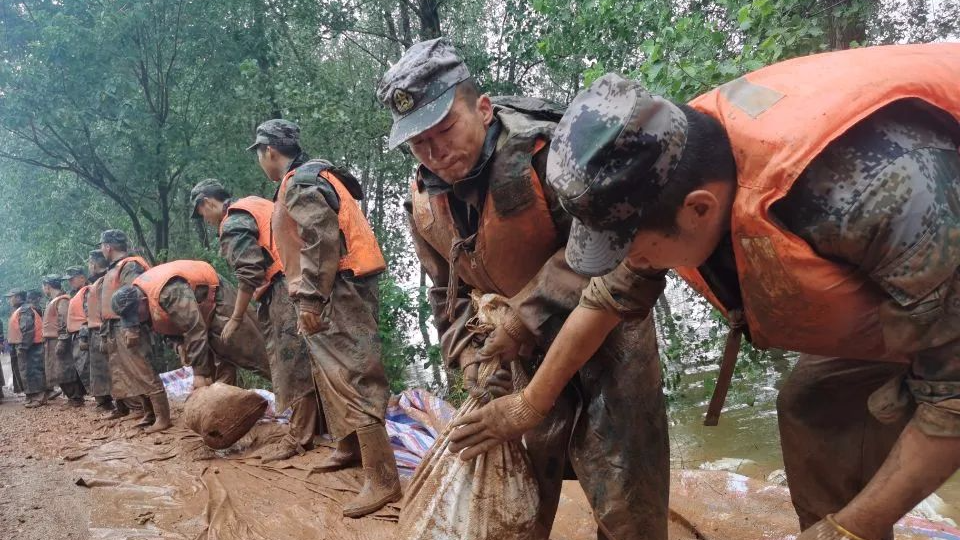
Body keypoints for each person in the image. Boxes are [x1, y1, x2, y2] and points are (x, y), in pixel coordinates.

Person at [452, 44, 960, 540]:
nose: (627, 263)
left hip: (941, 248)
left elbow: (953, 401)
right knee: (814, 405)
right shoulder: (668, 159)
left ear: (698, 209)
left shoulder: (878, 195)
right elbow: (605, 299)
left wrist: (853, 526)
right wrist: (529, 405)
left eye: (631, 249)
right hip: (909, 289)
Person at [377, 38, 667, 539]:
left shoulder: (548, 154)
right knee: (523, 476)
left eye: (444, 130)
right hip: (518, 353)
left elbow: (603, 250)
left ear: (483, 109)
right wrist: (469, 357)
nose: (435, 152)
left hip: (604, 331)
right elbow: (444, 295)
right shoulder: (421, 201)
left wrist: (524, 316)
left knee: (624, 481)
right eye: (419, 143)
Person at [248, 118, 399, 518]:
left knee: (353, 373)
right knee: (329, 370)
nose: (261, 162)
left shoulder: (300, 183)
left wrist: (312, 299)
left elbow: (320, 238)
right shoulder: (310, 177)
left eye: (260, 155)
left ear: (270, 152)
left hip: (338, 288)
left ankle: (383, 478)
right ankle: (348, 447)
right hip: (338, 284)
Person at [190, 178, 321, 462]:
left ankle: (300, 437)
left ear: (207, 203)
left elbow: (249, 271)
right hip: (305, 278)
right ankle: (320, 425)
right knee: (309, 359)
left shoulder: (233, 220)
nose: (207, 220)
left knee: (291, 364)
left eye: (202, 213)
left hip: (285, 287)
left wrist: (236, 317)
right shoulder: (254, 204)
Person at [110, 260, 271, 388]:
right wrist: (178, 344)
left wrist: (199, 374)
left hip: (217, 299)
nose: (137, 320)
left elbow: (194, 328)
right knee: (217, 368)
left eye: (136, 315)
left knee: (253, 353)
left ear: (142, 302)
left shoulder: (168, 292)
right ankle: (228, 412)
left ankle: (293, 394)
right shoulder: (139, 300)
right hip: (201, 312)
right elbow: (165, 325)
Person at [98, 229, 170, 433]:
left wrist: (132, 329)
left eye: (102, 246)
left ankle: (163, 417)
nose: (102, 250)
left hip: (129, 326)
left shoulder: (130, 265)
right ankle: (149, 413)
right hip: (116, 327)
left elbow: (132, 296)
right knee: (132, 372)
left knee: (143, 369)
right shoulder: (115, 268)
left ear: (108, 247)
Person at [41, 274, 86, 407]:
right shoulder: (54, 300)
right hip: (53, 340)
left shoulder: (62, 300)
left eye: (44, 286)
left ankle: (76, 398)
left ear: (47, 286)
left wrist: (62, 340)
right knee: (57, 370)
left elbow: (63, 321)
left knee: (65, 369)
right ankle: (72, 397)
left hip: (59, 339)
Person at [85, 250, 118, 413]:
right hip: (96, 330)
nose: (88, 266)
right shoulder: (97, 282)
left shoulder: (106, 280)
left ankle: (125, 403)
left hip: (103, 330)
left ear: (95, 264)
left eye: (90, 263)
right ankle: (104, 402)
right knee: (99, 370)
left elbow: (106, 309)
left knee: (111, 368)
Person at [6, 288, 47, 408]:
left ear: (19, 297)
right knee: (25, 372)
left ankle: (39, 397)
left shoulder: (25, 310)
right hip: (24, 346)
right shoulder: (20, 310)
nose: (9, 300)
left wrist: (23, 347)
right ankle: (30, 395)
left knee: (33, 371)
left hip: (31, 347)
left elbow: (28, 330)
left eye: (11, 297)